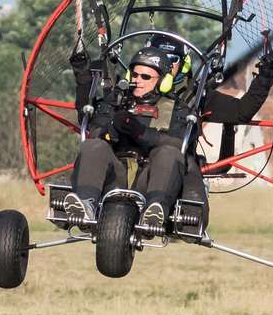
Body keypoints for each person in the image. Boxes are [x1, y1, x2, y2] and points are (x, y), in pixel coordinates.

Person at [144, 34, 273, 226]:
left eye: (172, 59)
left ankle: (162, 208)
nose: (164, 64)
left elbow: (241, 112)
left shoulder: (197, 97)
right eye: (158, 57)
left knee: (193, 217)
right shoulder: (130, 90)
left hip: (179, 166)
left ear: (183, 64)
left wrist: (264, 77)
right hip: (136, 164)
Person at [64, 46, 187, 228]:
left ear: (162, 81)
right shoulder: (115, 101)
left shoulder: (175, 109)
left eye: (146, 77)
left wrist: (140, 132)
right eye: (135, 75)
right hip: (115, 176)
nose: (138, 81)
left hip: (149, 179)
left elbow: (179, 144)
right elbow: (94, 129)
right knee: (93, 146)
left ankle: (155, 210)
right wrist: (112, 131)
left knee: (169, 153)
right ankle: (86, 203)